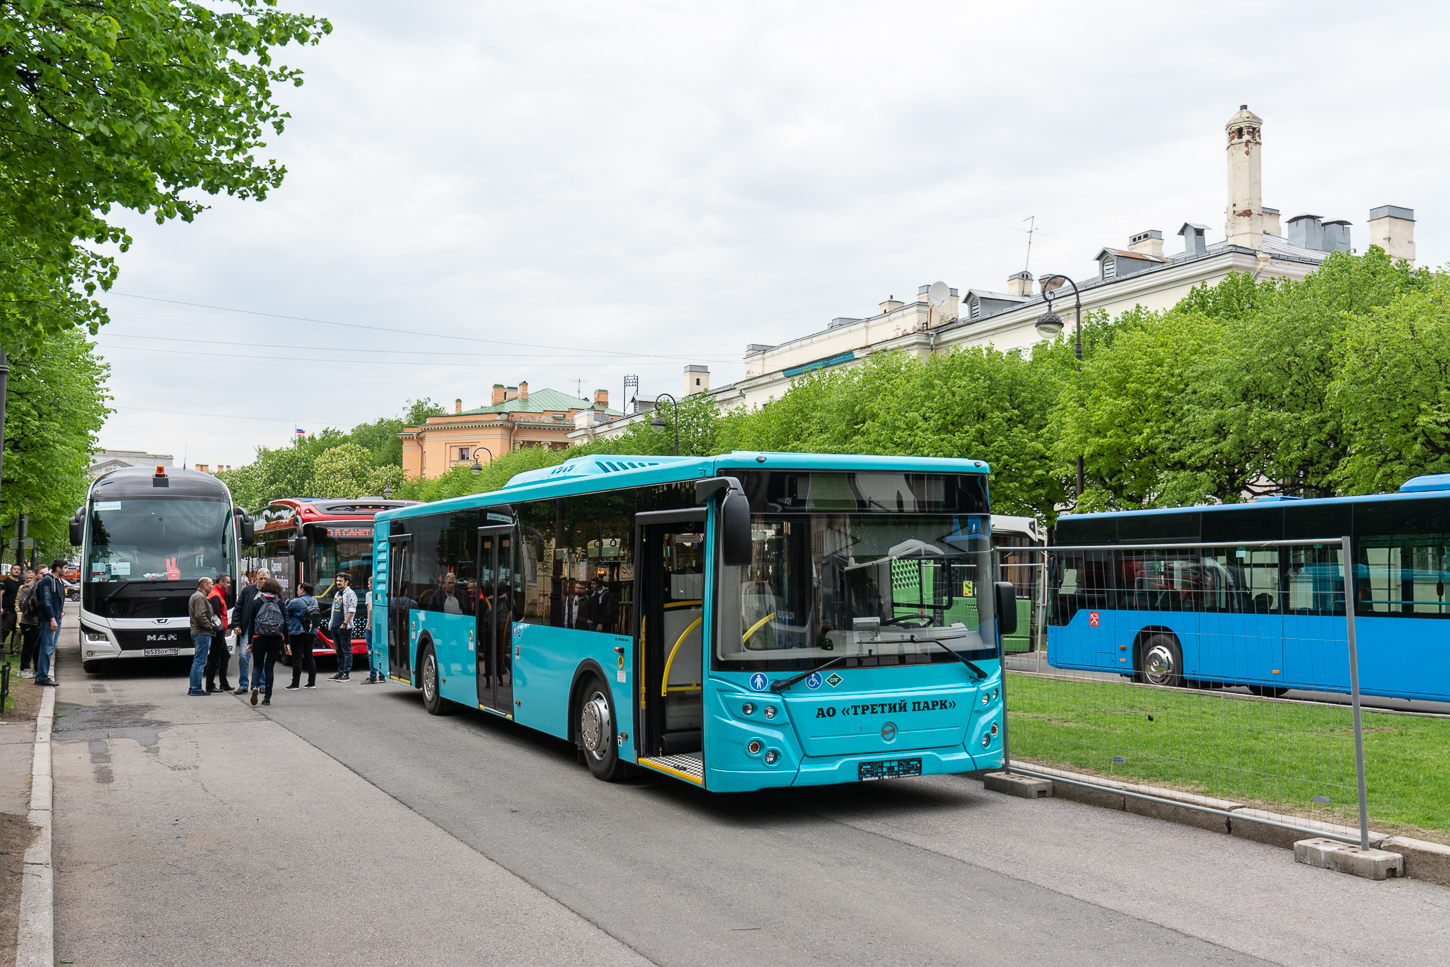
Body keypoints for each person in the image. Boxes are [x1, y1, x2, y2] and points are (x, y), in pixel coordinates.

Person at [243, 576, 289, 706]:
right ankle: (267, 697)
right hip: (276, 638)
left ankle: (255, 686)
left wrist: (249, 642)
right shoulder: (279, 602)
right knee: (269, 667)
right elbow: (285, 622)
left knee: (257, 665)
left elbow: (251, 622)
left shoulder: (257, 602)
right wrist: (287, 642)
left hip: (259, 638)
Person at [233, 568, 268, 695]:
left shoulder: (273, 592)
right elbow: (238, 608)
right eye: (261, 578)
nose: (263, 581)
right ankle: (243, 684)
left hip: (264, 630)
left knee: (262, 658)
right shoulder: (247, 590)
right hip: (247, 627)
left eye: (266, 579)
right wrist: (236, 624)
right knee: (243, 655)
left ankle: (262, 684)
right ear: (256, 578)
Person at [32, 560, 67, 687]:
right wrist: (52, 618)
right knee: (46, 648)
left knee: (50, 647)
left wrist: (60, 612)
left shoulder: (58, 581)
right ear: (58, 568)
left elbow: (58, 599)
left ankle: (43, 674)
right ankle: (41, 676)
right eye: (65, 568)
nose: (67, 570)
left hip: (56, 617)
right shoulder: (48, 580)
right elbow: (46, 601)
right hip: (49, 619)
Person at [187, 576, 219, 696]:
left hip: (199, 632)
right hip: (202, 633)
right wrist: (211, 627)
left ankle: (193, 687)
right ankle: (195, 688)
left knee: (198, 660)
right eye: (211, 584)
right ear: (204, 585)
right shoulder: (200, 597)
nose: (213, 586)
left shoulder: (198, 596)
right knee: (200, 661)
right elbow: (200, 616)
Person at [285, 582, 319, 690]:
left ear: (302, 590)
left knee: (297, 659)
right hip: (311, 631)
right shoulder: (315, 601)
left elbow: (286, 614)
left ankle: (295, 684)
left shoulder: (295, 602)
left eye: (298, 588)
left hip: (297, 632)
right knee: (309, 657)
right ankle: (311, 683)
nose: (297, 590)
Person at [204, 573, 233, 692]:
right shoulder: (216, 596)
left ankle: (223, 683)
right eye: (227, 582)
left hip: (220, 631)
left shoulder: (217, 594)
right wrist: (219, 629)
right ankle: (210, 685)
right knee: (215, 657)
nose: (229, 585)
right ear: (221, 582)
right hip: (218, 632)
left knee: (224, 655)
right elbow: (215, 616)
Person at [328, 571, 358, 682]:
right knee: (339, 651)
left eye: (340, 581)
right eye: (337, 581)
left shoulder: (351, 594)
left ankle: (346, 673)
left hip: (344, 627)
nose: (338, 583)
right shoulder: (337, 594)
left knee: (346, 650)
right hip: (335, 626)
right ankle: (340, 672)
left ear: (346, 582)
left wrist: (344, 624)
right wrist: (332, 624)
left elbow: (351, 610)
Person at [362, 575, 385, 684]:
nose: (368, 585)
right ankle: (381, 675)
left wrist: (370, 625)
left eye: (369, 583)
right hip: (381, 626)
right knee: (380, 650)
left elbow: (370, 610)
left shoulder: (369, 594)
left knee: (371, 652)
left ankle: (372, 676)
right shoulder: (382, 594)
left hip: (372, 627)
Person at [16, 568, 39, 678]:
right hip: (29, 622)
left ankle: (36, 669)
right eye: (42, 573)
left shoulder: (43, 586)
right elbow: (22, 604)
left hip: (39, 622)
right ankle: (23, 669)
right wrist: (32, 613)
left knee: (38, 647)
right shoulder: (28, 587)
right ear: (36, 574)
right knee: (29, 646)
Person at [1, 563, 21, 653]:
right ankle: (0, 647)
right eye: (15, 569)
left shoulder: (20, 583)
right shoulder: (6, 582)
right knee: (5, 630)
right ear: (11, 571)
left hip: (17, 610)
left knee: (16, 631)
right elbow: (1, 594)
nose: (16, 571)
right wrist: (1, 607)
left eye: (18, 569)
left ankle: (14, 650)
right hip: (8, 610)